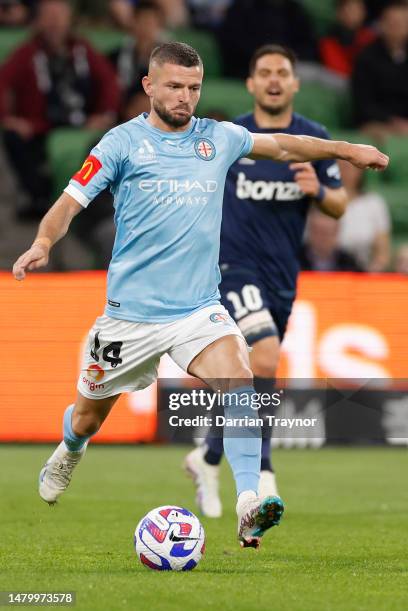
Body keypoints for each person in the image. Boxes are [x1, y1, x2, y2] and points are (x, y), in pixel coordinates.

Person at [12, 42, 388, 548]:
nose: (185, 97)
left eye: (193, 87)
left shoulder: (218, 138)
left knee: (239, 381)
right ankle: (70, 449)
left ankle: (249, 503)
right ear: (148, 86)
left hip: (198, 310)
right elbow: (68, 204)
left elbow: (282, 145)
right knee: (87, 416)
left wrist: (346, 151)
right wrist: (40, 242)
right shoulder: (120, 144)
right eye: (174, 86)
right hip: (131, 319)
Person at [184, 44, 349, 518]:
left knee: (249, 371)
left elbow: (337, 204)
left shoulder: (313, 138)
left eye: (283, 72)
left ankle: (209, 453)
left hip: (282, 274)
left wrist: (320, 192)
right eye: (264, 73)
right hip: (232, 266)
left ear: (295, 84)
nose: (274, 80)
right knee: (267, 354)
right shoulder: (232, 136)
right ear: (251, 84)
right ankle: (264, 470)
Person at [0, 0, 120, 220]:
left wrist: (104, 114)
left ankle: (98, 200)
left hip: (82, 120)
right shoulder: (27, 52)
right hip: (41, 124)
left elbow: (109, 80)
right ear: (39, 21)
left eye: (59, 16)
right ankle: (40, 197)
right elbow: (4, 81)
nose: (54, 23)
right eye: (49, 16)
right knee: (12, 137)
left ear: (68, 20)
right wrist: (9, 119)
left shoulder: (82, 49)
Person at [351, 0, 408, 138]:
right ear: (381, 24)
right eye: (391, 22)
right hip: (377, 122)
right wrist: (392, 120)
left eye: (402, 22)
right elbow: (363, 104)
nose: (396, 27)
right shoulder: (366, 58)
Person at [218, 0, 317, 78]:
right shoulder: (244, 7)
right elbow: (235, 46)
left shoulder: (294, 10)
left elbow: (308, 45)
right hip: (251, 68)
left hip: (293, 64)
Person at [110, 0, 165, 121]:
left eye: (150, 23)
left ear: (159, 26)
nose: (146, 28)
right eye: (142, 22)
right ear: (133, 23)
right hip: (126, 113)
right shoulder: (116, 57)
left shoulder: (173, 58)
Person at [337, 160, 391, 271]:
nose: (345, 171)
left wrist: (372, 273)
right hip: (323, 273)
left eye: (350, 167)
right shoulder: (318, 201)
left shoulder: (374, 203)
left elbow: (382, 253)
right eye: (340, 166)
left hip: (362, 273)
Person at [319, 0, 376, 78]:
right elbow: (339, 70)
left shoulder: (371, 38)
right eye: (349, 9)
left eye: (358, 9)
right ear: (339, 13)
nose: (353, 14)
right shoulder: (329, 40)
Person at [300, 207, 362, 272]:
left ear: (337, 232)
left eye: (327, 233)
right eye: (318, 232)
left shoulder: (349, 263)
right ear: (310, 231)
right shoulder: (294, 261)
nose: (322, 239)